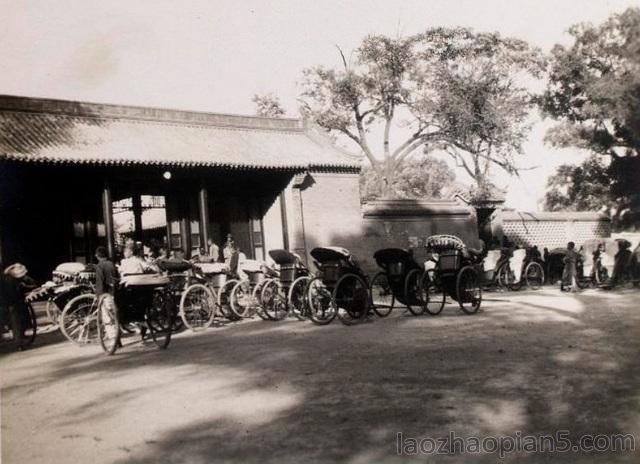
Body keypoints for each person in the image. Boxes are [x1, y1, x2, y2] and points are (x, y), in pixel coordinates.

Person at [1, 263, 37, 350]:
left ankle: (19, 340)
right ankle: (18, 343)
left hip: (11, 303)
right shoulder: (8, 280)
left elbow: (31, 285)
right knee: (16, 322)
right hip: (10, 303)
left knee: (17, 322)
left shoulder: (11, 278)